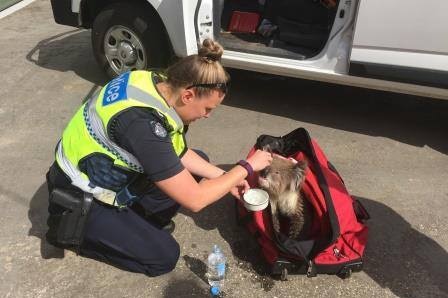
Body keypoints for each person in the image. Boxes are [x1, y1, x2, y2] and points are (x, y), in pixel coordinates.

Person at [45, 39, 272, 276]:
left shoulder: (154, 82)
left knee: (200, 164)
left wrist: (225, 176)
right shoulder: (142, 126)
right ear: (187, 96)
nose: (207, 116)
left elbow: (178, 151)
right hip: (80, 194)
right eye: (207, 109)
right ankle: (73, 233)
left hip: (101, 172)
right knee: (163, 257)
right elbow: (195, 200)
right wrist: (245, 168)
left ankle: (139, 223)